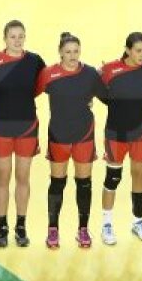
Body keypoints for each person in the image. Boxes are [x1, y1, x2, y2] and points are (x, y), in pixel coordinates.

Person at [37, 32, 106, 248]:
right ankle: (53, 229)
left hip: (84, 134)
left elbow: (107, 96)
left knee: (84, 184)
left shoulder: (90, 74)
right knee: (57, 183)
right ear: (60, 52)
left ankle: (83, 229)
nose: (73, 55)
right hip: (58, 135)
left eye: (76, 51)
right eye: (68, 52)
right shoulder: (48, 74)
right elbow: (29, 94)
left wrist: (107, 76)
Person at [0, 20, 46, 248]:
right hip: (1, 127)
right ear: (5, 38)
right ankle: (2, 226)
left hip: (26, 126)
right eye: (13, 36)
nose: (17, 40)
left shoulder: (35, 61)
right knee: (3, 176)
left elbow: (40, 87)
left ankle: (21, 225)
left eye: (21, 36)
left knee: (23, 176)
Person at [98, 32, 142, 246]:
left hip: (141, 131)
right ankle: (106, 224)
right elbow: (99, 91)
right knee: (113, 178)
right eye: (138, 51)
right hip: (116, 133)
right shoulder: (110, 70)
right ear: (127, 50)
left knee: (138, 174)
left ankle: (138, 221)